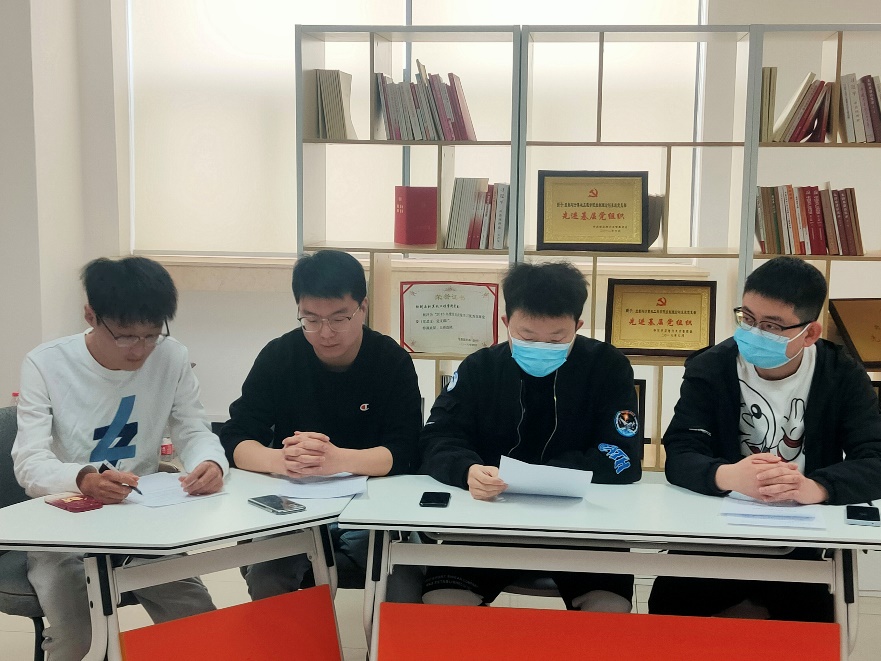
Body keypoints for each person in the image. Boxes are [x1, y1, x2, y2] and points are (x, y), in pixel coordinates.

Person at [12, 256, 228, 661]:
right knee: (79, 639)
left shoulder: (171, 356)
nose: (140, 350)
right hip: (63, 528)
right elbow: (29, 462)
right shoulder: (46, 363)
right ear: (91, 316)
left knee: (198, 622)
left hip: (140, 522)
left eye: (151, 335)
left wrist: (211, 463)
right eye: (126, 336)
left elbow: (193, 428)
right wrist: (83, 478)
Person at [649, 256, 881, 622]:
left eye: (771, 326)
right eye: (748, 318)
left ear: (810, 333)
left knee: (809, 623)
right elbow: (680, 451)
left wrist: (816, 487)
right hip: (714, 531)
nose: (754, 333)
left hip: (801, 536)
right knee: (670, 610)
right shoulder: (711, 367)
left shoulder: (842, 375)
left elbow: (874, 459)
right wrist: (728, 475)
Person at [419, 261, 642, 612]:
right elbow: (438, 437)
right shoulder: (480, 368)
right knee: (442, 604)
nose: (541, 346)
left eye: (556, 338)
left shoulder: (607, 367)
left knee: (608, 610)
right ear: (506, 322)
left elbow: (623, 455)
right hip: (487, 522)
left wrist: (551, 476)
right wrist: (467, 470)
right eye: (527, 336)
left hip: (584, 528)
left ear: (578, 326)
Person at [220, 249, 422, 598]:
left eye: (339, 318)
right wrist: (281, 460)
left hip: (372, 504)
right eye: (311, 319)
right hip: (295, 505)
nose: (325, 332)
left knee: (402, 580)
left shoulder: (390, 361)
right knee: (267, 576)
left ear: (363, 307)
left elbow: (406, 450)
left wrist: (337, 460)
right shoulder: (279, 356)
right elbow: (236, 437)